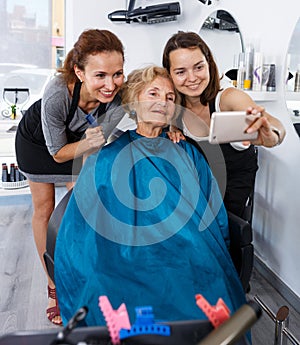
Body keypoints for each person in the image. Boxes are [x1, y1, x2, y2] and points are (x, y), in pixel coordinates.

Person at [54, 65, 247, 329]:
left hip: (187, 249)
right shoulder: (108, 155)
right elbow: (82, 225)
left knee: (207, 283)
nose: (163, 102)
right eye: (153, 93)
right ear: (133, 103)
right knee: (107, 287)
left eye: (169, 98)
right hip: (122, 253)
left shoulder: (187, 152)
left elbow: (212, 212)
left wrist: (217, 251)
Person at [15, 29, 127, 326]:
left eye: (117, 74)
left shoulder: (118, 95)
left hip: (80, 144)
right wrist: (90, 146)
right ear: (79, 71)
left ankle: (87, 279)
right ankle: (53, 286)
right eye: (100, 75)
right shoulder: (56, 93)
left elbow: (96, 141)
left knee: (86, 207)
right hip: (40, 144)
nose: (110, 84)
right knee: (45, 210)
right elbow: (58, 153)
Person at [162, 31, 286, 218]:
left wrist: (271, 137)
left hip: (232, 200)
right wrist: (173, 133)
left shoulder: (228, 98)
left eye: (198, 67)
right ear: (170, 75)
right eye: (181, 72)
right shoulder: (175, 109)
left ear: (209, 65)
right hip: (200, 194)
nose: (193, 77)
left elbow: (276, 126)